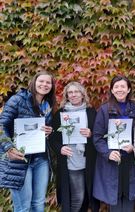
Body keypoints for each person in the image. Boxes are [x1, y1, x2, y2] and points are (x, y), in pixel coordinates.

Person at [0, 71, 56, 211]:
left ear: (52, 86)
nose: (44, 84)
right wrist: (9, 148)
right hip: (20, 160)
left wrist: (49, 131)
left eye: (48, 82)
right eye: (41, 81)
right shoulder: (17, 100)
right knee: (23, 207)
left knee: (38, 204)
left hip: (41, 160)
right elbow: (1, 125)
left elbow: (44, 130)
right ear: (34, 82)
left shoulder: (48, 105)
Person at [93, 75, 135, 212]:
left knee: (129, 197)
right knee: (114, 200)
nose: (120, 89)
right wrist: (107, 153)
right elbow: (97, 137)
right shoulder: (104, 109)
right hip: (112, 162)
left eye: (123, 86)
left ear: (128, 89)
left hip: (130, 160)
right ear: (112, 90)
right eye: (116, 87)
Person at [50, 82, 100, 212]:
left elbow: (99, 134)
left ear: (83, 94)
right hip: (71, 161)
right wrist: (60, 148)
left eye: (76, 92)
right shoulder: (60, 114)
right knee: (78, 197)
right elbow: (53, 138)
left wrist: (91, 133)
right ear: (66, 96)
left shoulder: (91, 112)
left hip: (88, 161)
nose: (73, 95)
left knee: (87, 198)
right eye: (70, 92)